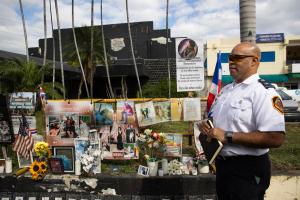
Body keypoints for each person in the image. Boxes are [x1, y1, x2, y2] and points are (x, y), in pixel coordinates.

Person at [197, 42, 285, 200]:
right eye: (230, 58)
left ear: (254, 61)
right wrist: (208, 125)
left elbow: (276, 137)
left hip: (248, 169)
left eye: (237, 58)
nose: (231, 62)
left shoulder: (263, 92)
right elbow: (220, 122)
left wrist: (228, 136)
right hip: (223, 166)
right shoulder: (226, 90)